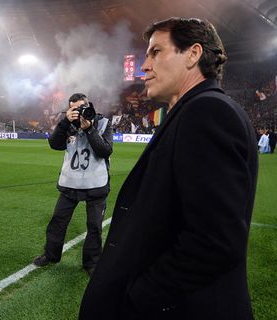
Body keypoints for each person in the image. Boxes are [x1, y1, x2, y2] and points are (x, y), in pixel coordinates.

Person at [79, 18, 258, 319]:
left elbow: (215, 242)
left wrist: (139, 297)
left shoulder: (207, 112)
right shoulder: (196, 110)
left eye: (156, 52)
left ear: (193, 54)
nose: (143, 66)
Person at [32, 93, 112, 276]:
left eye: (81, 107)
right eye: (73, 108)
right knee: (57, 222)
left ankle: (91, 263)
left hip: (95, 184)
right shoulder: (67, 125)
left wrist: (90, 129)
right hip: (70, 184)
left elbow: (105, 151)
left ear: (88, 104)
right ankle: (51, 255)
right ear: (69, 109)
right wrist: (64, 122)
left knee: (94, 226)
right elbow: (54, 144)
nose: (78, 111)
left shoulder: (103, 122)